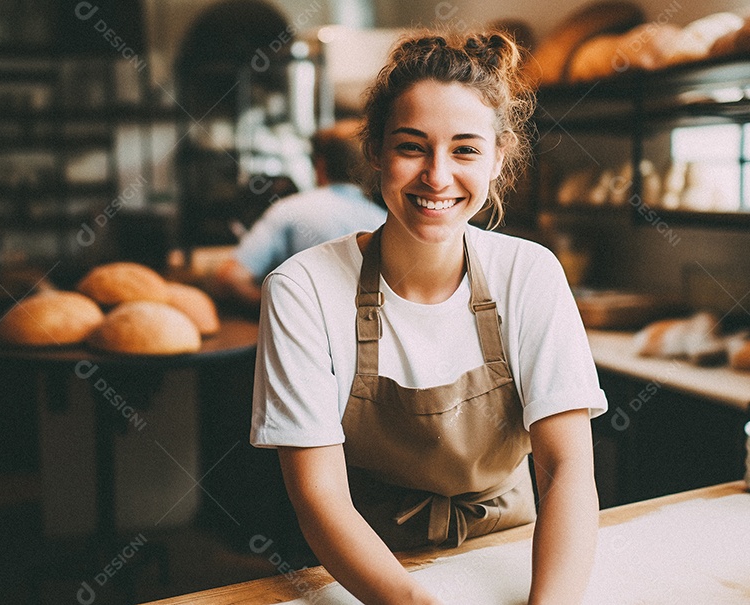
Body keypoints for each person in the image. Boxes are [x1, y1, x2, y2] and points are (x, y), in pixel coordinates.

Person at [250, 30, 607, 604]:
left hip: (512, 552)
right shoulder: (303, 290)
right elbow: (320, 498)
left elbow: (565, 469)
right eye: (411, 146)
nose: (437, 176)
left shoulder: (530, 274)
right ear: (375, 151)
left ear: (497, 158)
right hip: (366, 566)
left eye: (465, 149)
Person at [215, 119, 387, 306]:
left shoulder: (288, 210)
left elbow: (229, 278)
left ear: (321, 165)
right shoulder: (384, 219)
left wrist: (279, 308)